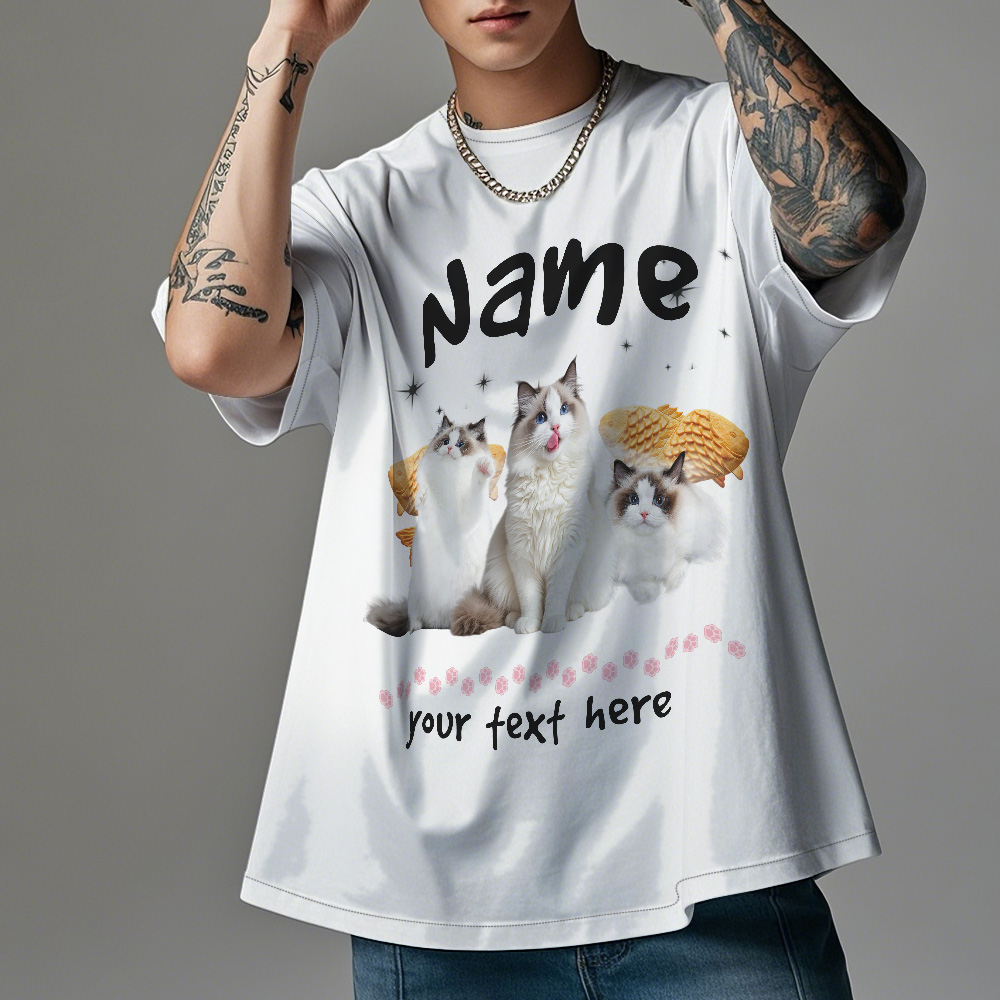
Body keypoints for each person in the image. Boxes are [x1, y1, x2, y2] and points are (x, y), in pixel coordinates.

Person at [150, 1, 926, 996]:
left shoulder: (717, 150)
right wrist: (289, 38)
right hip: (436, 890)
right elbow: (211, 347)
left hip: (709, 863)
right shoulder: (359, 209)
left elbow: (857, 209)